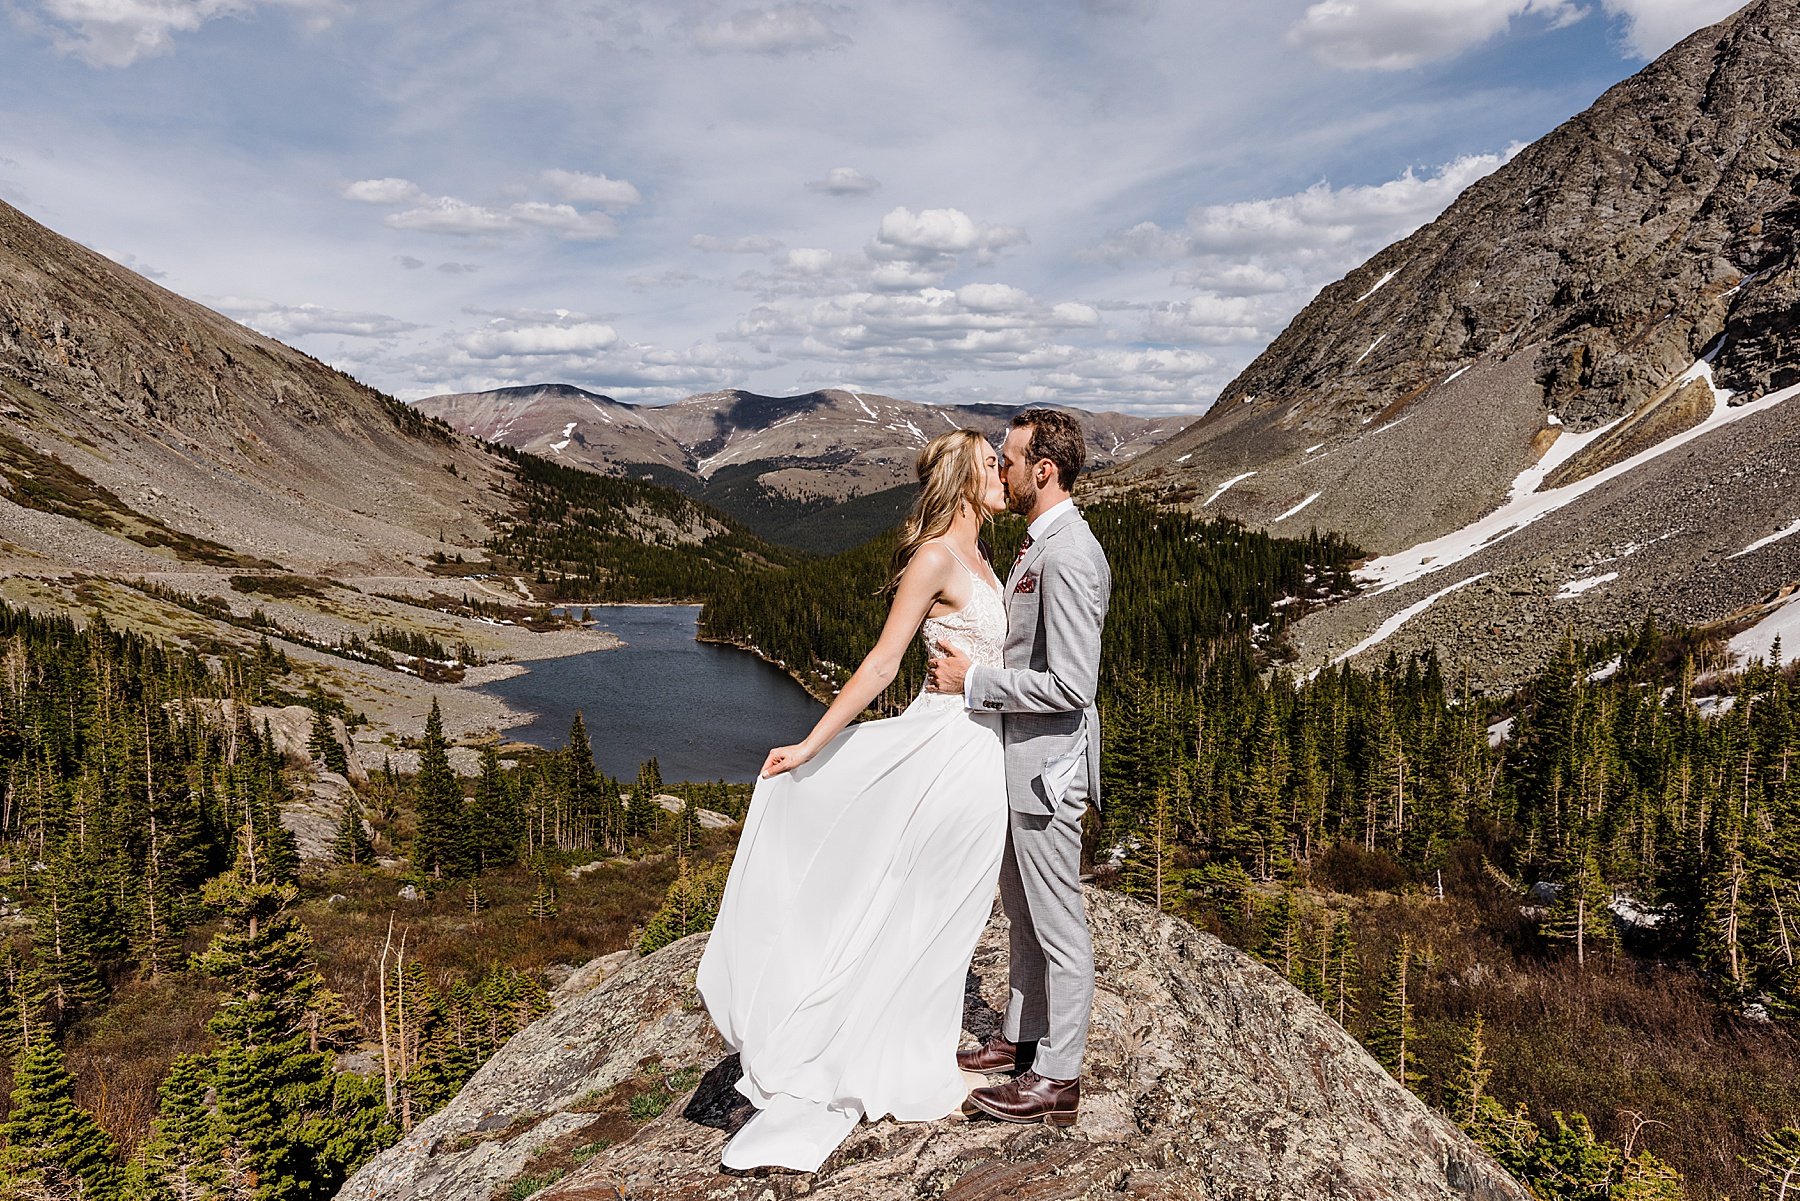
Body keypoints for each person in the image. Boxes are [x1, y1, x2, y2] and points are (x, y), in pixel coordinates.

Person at [696, 428, 1010, 1173]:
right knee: (930, 904)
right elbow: (880, 662)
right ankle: (894, 1057)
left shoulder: (984, 557)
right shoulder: (935, 556)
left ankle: (918, 1047)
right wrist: (809, 745)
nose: (1005, 474)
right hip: (950, 752)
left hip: (984, 748)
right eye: (993, 464)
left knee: (954, 910)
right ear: (965, 478)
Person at [926, 407, 1111, 1129]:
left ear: (1044, 469)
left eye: (1007, 460)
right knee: (1025, 912)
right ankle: (1021, 1036)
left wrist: (973, 681)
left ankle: (1057, 1078)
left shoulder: (1069, 552)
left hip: (1045, 773)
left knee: (1058, 922)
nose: (997, 471)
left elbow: (1072, 684)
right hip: (1020, 766)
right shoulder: (1042, 542)